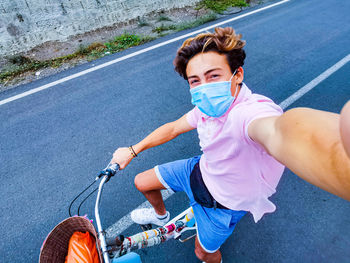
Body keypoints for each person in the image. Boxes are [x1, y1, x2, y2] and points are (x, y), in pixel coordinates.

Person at [111, 27, 350, 263]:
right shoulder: (206, 109)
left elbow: (281, 131)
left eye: (213, 76)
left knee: (203, 253)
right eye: (195, 81)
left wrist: (337, 151)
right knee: (142, 182)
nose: (203, 87)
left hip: (222, 205)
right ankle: (161, 217)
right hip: (199, 171)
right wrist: (132, 150)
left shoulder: (247, 113)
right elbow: (173, 127)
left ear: (237, 75)